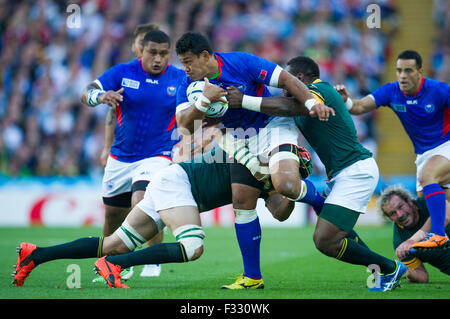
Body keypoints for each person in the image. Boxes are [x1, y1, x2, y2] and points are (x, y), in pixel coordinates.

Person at [11, 148, 317, 289]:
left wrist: (292, 191)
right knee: (193, 246)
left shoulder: (267, 180)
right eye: (292, 169)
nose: (290, 174)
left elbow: (279, 213)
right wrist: (277, 186)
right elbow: (241, 201)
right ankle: (115, 267)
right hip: (177, 184)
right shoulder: (251, 158)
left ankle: (35, 255)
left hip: (170, 184)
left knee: (115, 244)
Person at [226, 56, 407, 292]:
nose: (285, 85)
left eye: (288, 80)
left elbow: (292, 105)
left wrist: (245, 101)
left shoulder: (317, 89)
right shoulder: (313, 96)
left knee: (325, 240)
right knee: (336, 235)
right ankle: (386, 269)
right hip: (341, 174)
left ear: (299, 78)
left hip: (356, 170)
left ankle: (390, 268)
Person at [174, 31, 334, 288]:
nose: (186, 68)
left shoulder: (241, 62)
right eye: (182, 62)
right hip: (238, 137)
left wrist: (312, 102)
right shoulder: (188, 85)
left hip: (272, 126)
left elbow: (287, 80)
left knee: (286, 187)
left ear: (205, 56)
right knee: (242, 202)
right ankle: (252, 277)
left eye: (188, 61)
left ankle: (317, 198)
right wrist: (205, 100)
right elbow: (184, 126)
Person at [81, 29, 186, 279]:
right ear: (143, 51)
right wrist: (100, 96)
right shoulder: (122, 72)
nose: (158, 59)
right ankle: (109, 265)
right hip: (121, 157)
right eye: (153, 52)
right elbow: (87, 92)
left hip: (157, 155)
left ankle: (139, 259)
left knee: (141, 201)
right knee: (112, 218)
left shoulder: (180, 78)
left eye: (163, 53)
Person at [335, 50, 450, 250]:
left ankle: (439, 235)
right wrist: (346, 100)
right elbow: (360, 106)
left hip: (446, 144)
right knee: (435, 205)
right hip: (424, 155)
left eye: (408, 70)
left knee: (427, 176)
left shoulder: (439, 90)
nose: (403, 75)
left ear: (420, 72)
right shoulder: (391, 92)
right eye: (399, 71)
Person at [377, 185, 450, 282]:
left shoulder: (428, 202)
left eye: (400, 206)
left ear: (409, 201)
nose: (400, 214)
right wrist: (403, 271)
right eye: (392, 213)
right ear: (389, 218)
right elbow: (422, 276)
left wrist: (414, 239)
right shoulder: (400, 243)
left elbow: (445, 213)